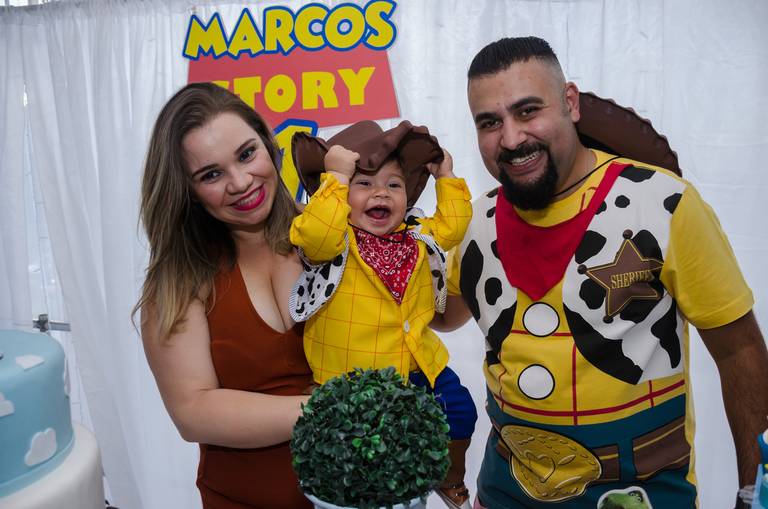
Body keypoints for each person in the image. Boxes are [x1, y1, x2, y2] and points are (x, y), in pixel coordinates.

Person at [434, 36, 768, 508]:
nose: (510, 139)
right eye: (490, 122)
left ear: (570, 103)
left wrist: (754, 493)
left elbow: (740, 351)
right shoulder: (472, 222)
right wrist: (375, 240)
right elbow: (442, 315)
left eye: (528, 111)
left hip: (645, 493)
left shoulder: (665, 204)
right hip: (505, 492)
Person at [133, 82, 313, 509]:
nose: (241, 182)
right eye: (211, 174)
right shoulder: (179, 280)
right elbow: (192, 411)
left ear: (269, 145)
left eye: (247, 154)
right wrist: (331, 409)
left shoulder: (329, 235)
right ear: (188, 191)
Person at [288, 120, 478, 509]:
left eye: (393, 184)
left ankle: (449, 475)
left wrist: (446, 177)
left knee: (461, 411)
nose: (381, 192)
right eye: (364, 183)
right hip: (357, 379)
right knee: (372, 453)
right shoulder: (335, 242)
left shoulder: (417, 236)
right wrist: (336, 178)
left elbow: (454, 227)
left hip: (419, 365)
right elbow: (314, 233)